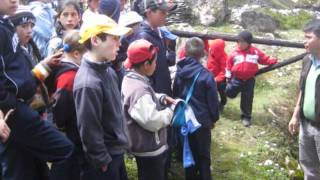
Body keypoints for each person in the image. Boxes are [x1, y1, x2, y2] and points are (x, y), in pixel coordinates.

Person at [0, 0, 73, 179]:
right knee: (66, 150)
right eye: (23, 25)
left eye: (31, 25)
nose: (29, 30)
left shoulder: (5, 27)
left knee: (25, 167)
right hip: (13, 110)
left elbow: (20, 78)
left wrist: (45, 66)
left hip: (22, 108)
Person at [74, 13, 131, 180]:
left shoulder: (108, 70)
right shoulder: (88, 82)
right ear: (95, 40)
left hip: (115, 151)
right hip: (105, 159)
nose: (120, 44)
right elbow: (88, 127)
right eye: (114, 38)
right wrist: (101, 159)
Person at [122, 39, 175, 180]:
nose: (156, 65)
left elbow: (144, 100)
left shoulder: (132, 78)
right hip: (149, 148)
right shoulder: (138, 89)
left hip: (145, 147)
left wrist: (161, 97)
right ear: (146, 65)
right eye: (155, 62)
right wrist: (171, 111)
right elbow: (152, 121)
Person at [173, 37, 219, 180]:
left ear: (185, 52)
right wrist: (214, 118)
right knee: (204, 156)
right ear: (202, 54)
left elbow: (176, 94)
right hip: (201, 122)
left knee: (188, 153)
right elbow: (213, 102)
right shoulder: (206, 76)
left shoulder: (179, 72)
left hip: (184, 120)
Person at [50, 30, 86, 180]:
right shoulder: (69, 77)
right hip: (70, 130)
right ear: (77, 54)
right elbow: (60, 104)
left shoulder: (67, 70)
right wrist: (61, 124)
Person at [288, 19, 320, 179]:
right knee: (309, 168)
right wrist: (295, 114)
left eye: (309, 37)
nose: (304, 41)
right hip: (306, 125)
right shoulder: (307, 60)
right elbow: (303, 88)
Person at [225, 30, 277, 127]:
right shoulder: (234, 53)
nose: (240, 44)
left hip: (249, 80)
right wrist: (227, 77)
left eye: (243, 42)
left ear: (248, 43)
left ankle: (246, 117)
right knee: (230, 92)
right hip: (236, 78)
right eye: (238, 41)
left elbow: (264, 59)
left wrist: (272, 60)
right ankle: (224, 98)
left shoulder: (255, 52)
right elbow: (228, 65)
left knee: (247, 98)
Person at [207, 39, 228, 111]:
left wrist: (217, 79)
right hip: (211, 76)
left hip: (220, 79)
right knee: (212, 91)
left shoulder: (224, 58)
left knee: (222, 91)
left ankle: (223, 102)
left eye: (214, 49)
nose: (211, 51)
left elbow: (224, 71)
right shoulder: (210, 52)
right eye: (211, 49)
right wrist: (205, 38)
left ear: (219, 50)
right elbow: (206, 46)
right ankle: (214, 104)